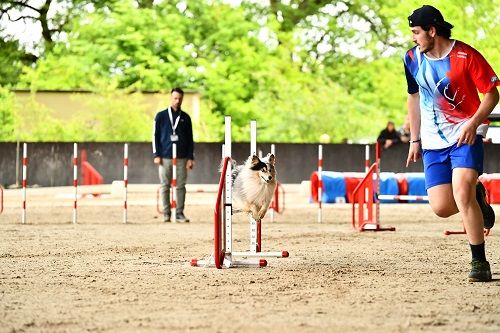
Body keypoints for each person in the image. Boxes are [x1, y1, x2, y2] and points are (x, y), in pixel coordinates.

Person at [403, 5, 499, 282]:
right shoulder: (411, 58)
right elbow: (413, 97)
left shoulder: (466, 55)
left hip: (465, 135)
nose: (413, 38)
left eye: (416, 32)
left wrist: (473, 123)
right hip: (433, 142)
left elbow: (492, 95)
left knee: (461, 190)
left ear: (432, 31)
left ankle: (479, 262)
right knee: (442, 207)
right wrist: (415, 139)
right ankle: (478, 197)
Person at [152, 87, 194, 222]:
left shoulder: (186, 117)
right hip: (165, 157)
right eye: (175, 98)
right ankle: (166, 213)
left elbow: (190, 139)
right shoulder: (161, 116)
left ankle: (179, 213)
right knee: (165, 185)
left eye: (180, 98)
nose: (177, 101)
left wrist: (190, 158)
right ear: (171, 98)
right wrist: (156, 154)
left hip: (182, 157)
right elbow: (155, 136)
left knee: (181, 185)